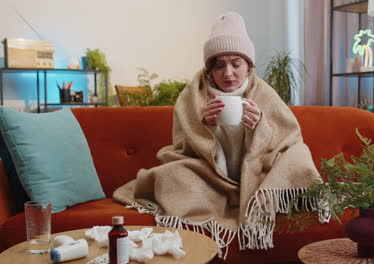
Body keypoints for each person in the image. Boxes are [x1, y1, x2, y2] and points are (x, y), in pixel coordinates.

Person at [114, 11, 326, 259]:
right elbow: (182, 148)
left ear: (248, 66)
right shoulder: (192, 95)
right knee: (171, 175)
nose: (228, 73)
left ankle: (256, 201)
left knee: (300, 155)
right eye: (219, 65)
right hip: (209, 177)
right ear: (209, 70)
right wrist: (204, 128)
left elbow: (287, 140)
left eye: (236, 64)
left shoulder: (264, 94)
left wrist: (259, 128)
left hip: (259, 174)